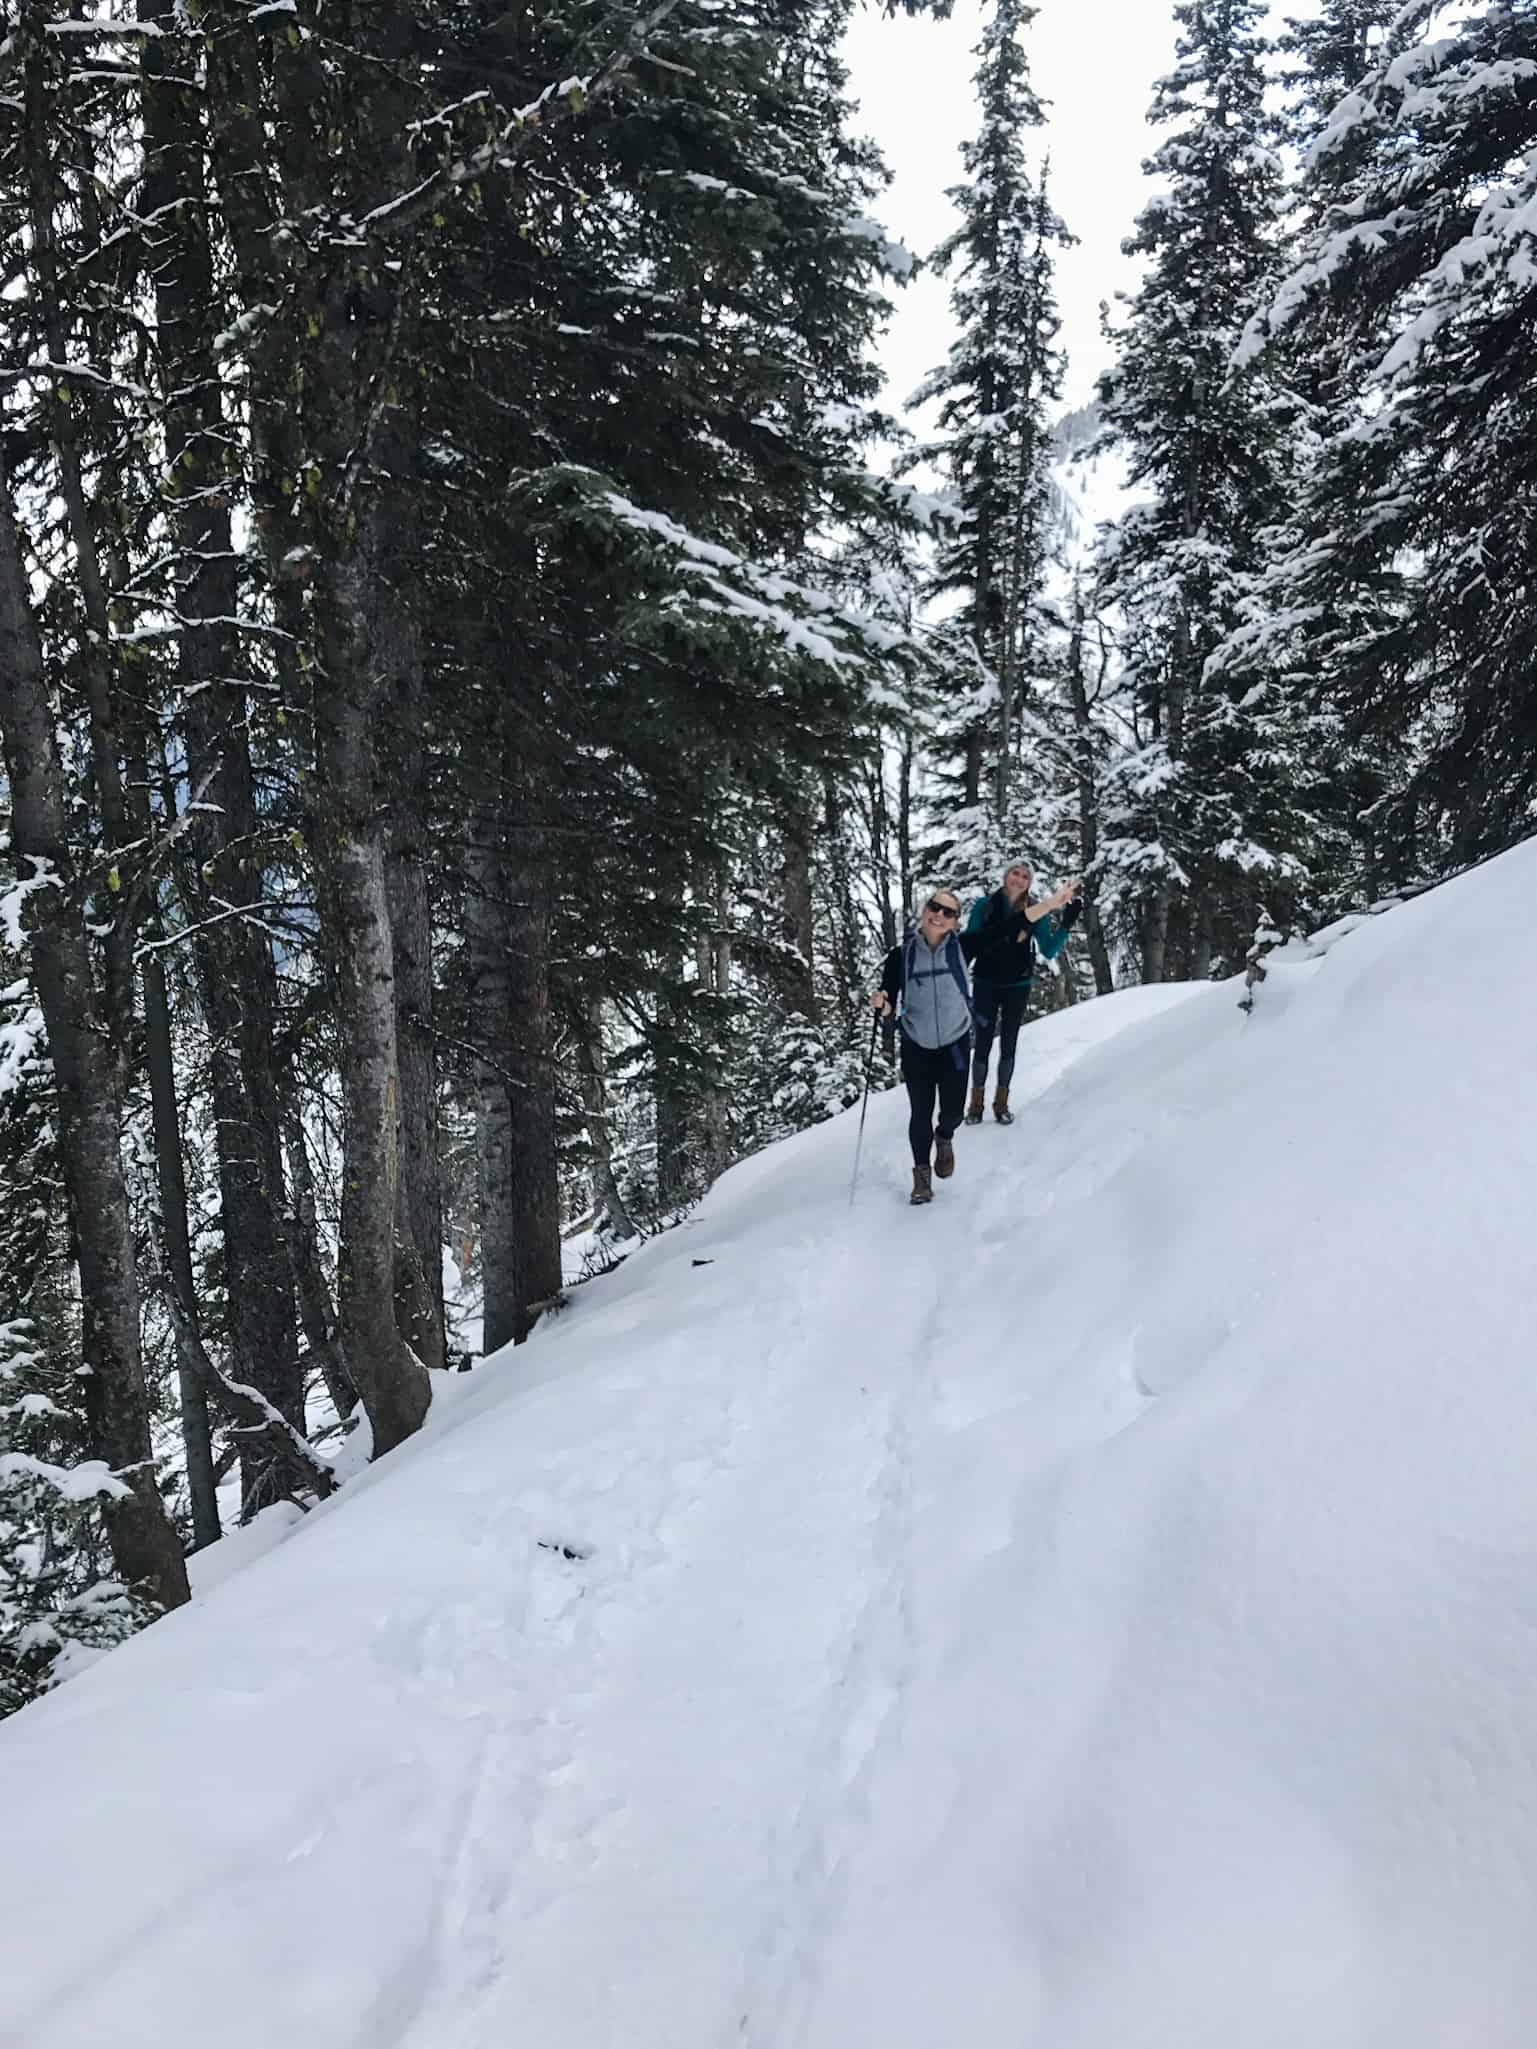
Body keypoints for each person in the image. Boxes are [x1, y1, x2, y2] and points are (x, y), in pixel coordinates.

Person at [871, 888, 986, 1206]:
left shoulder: (962, 948)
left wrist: (1050, 904)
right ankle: (922, 1179)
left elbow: (1007, 927)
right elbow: (890, 999)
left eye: (948, 912)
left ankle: (945, 1136)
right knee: (920, 1112)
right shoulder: (902, 956)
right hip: (916, 1045)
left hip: (955, 1043)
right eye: (935, 907)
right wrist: (883, 1004)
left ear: (954, 923)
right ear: (924, 910)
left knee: (952, 1112)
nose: (939, 915)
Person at [963, 859, 1081, 1126]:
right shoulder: (984, 906)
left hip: (1017, 985)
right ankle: (975, 1105)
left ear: (1029, 882)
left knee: (1009, 1044)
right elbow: (970, 942)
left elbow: (1048, 949)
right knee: (981, 1043)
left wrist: (1066, 924)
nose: (1018, 878)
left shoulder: (1034, 909)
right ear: (1006, 876)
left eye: (1025, 876)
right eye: (1015, 873)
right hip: (985, 982)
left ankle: (1001, 1104)